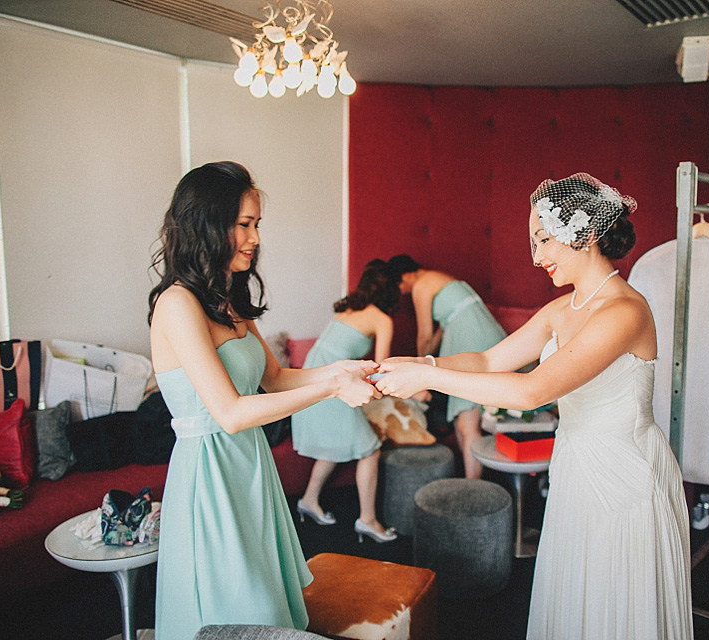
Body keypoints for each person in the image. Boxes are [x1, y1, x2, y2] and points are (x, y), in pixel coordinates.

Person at [375, 174, 693, 639]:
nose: (537, 255)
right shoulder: (562, 309)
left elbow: (532, 392)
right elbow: (487, 359)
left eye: (543, 239)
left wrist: (426, 378)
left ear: (584, 235)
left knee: (616, 603)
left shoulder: (625, 311)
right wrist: (419, 359)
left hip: (622, 476)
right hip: (576, 464)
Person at [148, 161, 380, 640]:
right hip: (210, 475)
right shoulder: (176, 303)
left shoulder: (228, 298)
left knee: (265, 600)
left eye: (257, 225)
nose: (255, 239)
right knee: (236, 604)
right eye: (244, 225)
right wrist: (333, 389)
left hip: (249, 466)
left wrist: (343, 370)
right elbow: (231, 413)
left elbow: (274, 379)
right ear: (208, 225)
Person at [291, 259, 400, 543]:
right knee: (370, 450)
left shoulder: (346, 311)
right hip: (332, 389)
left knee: (334, 445)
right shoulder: (381, 319)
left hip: (312, 385)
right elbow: (382, 367)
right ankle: (368, 519)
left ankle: (309, 500)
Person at [387, 254, 506, 478]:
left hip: (470, 341)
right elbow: (443, 329)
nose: (403, 292)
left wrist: (420, 369)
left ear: (407, 276)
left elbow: (424, 338)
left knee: (466, 423)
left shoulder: (421, 286)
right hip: (488, 336)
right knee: (468, 421)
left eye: (401, 286)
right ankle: (475, 479)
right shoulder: (443, 279)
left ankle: (472, 486)